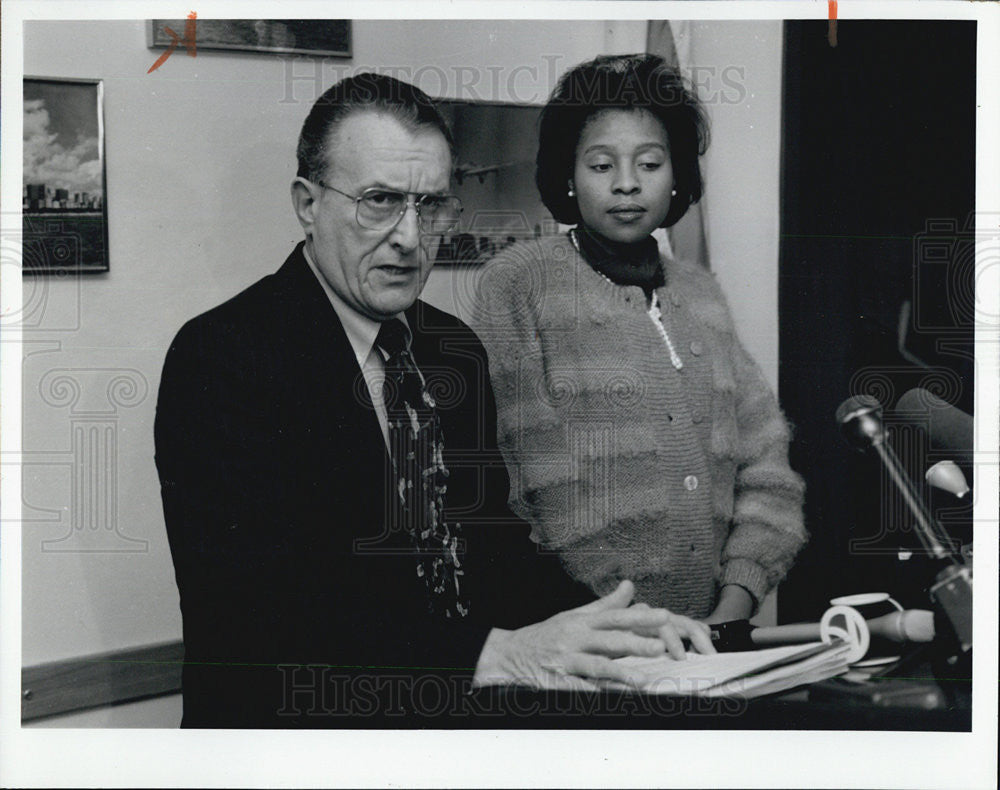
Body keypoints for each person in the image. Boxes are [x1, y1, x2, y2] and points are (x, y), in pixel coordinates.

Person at [154, 73, 715, 729]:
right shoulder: (223, 359)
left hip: (451, 730)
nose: (411, 237)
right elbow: (266, 614)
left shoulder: (451, 349)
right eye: (381, 201)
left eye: (433, 206)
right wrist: (500, 652)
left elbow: (492, 554)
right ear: (307, 203)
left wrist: (620, 626)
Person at [473, 54, 807, 626]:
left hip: (715, 640)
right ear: (568, 177)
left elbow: (766, 466)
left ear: (676, 176)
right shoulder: (518, 283)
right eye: (601, 165)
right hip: (585, 640)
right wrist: (629, 622)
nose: (627, 183)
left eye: (649, 163)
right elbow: (529, 477)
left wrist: (736, 602)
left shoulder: (703, 295)